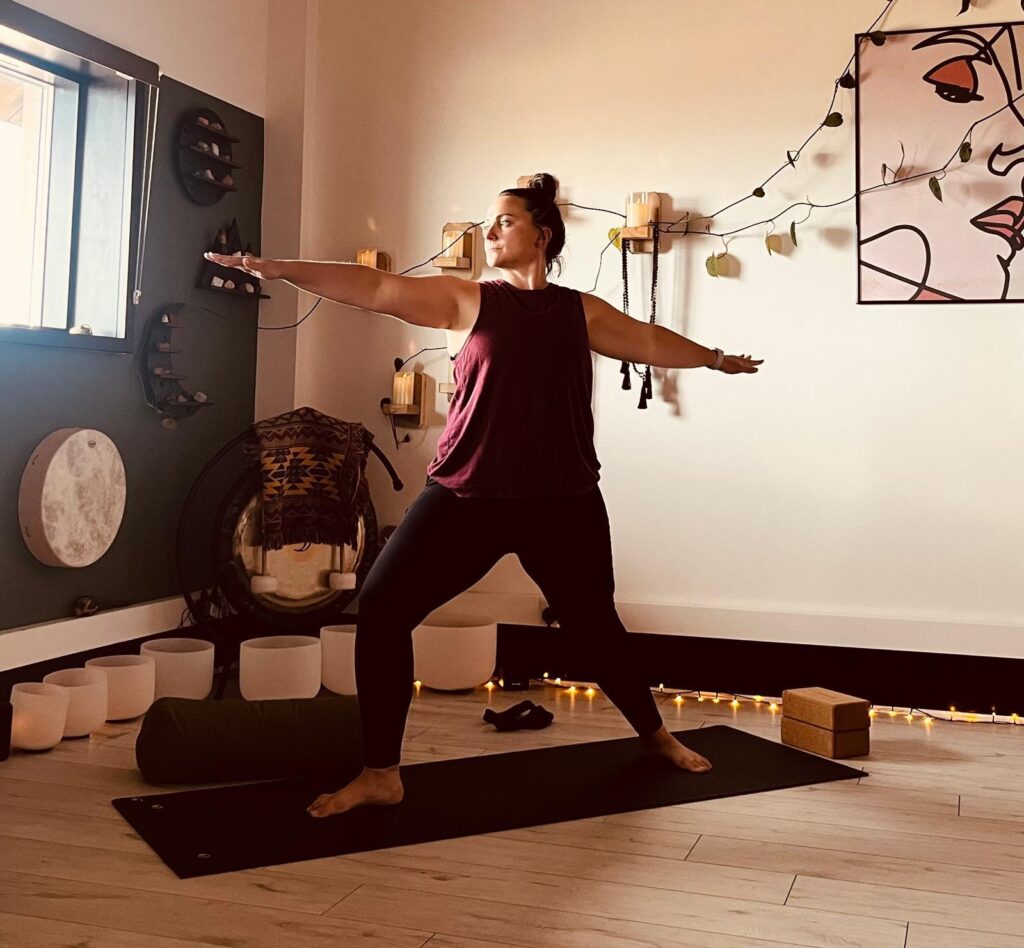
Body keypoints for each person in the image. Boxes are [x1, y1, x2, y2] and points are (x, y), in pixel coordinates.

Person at [205, 173, 763, 818]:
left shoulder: (577, 311)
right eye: (489, 221)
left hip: (564, 502)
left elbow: (645, 339)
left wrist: (715, 359)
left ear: (542, 234)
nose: (490, 230)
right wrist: (278, 268)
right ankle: (382, 771)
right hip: (466, 497)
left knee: (595, 626)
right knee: (383, 609)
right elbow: (377, 288)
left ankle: (656, 733)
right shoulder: (469, 301)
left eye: (505, 220)